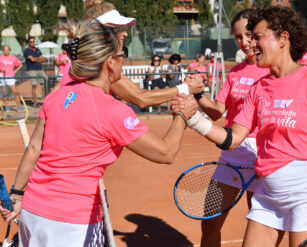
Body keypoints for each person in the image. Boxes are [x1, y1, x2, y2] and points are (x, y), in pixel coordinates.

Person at [0, 20, 197, 247]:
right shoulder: (112, 110)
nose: (123, 59)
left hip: (33, 211)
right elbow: (166, 153)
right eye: (121, 54)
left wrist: (16, 194)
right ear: (110, 62)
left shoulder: (56, 96)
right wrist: (182, 115)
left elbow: (34, 148)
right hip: (73, 222)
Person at [173, 6, 307, 247]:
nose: (251, 44)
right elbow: (233, 138)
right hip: (269, 195)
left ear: (283, 39)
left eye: (257, 37)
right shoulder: (259, 88)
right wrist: (194, 119)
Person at [195, 10, 269, 247]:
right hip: (231, 154)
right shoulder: (236, 72)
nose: (244, 41)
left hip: (262, 155)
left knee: (259, 229)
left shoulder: (272, 70)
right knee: (210, 222)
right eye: (238, 37)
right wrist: (199, 96)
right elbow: (217, 110)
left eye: (248, 34)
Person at [52, 0, 204, 110]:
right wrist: (186, 88)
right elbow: (140, 98)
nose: (125, 32)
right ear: (103, 33)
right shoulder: (99, 66)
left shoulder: (84, 62)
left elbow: (51, 100)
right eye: (118, 28)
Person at [23, 37, 46, 107]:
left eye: (33, 41)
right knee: (34, 86)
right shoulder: (27, 51)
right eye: (31, 42)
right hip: (31, 70)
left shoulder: (38, 49)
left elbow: (43, 59)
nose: (32, 43)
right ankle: (35, 102)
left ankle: (45, 100)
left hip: (40, 69)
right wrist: (39, 59)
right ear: (28, 43)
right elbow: (32, 60)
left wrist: (36, 59)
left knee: (45, 84)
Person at [0, 45, 23, 112]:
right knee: (5, 93)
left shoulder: (13, 57)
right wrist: (1, 68)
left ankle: (19, 106)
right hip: (2, 76)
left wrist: (15, 71)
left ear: (9, 50)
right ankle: (7, 106)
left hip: (10, 76)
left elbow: (20, 65)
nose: (6, 51)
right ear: (3, 51)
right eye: (5, 50)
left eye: (7, 50)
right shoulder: (0, 57)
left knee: (14, 92)